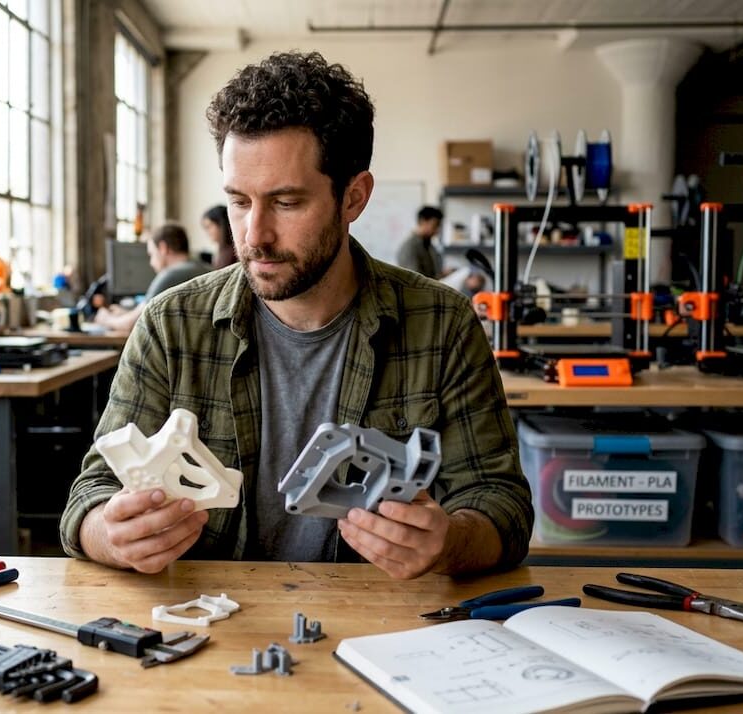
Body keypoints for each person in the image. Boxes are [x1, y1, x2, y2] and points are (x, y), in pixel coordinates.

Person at [61, 51, 531, 580]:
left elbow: (503, 506)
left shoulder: (441, 323)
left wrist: (449, 542)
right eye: (239, 202)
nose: (254, 236)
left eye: (285, 203)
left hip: (375, 632)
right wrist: (113, 533)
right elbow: (91, 495)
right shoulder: (171, 324)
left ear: (353, 198)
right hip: (207, 629)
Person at [92, 223, 210, 332]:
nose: (151, 263)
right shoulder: (205, 268)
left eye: (151, 254)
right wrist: (125, 313)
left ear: (163, 248)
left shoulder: (170, 275)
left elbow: (134, 324)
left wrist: (105, 319)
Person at [396, 205, 450, 279]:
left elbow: (432, 274)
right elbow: (414, 281)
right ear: (423, 221)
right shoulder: (410, 247)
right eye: (434, 226)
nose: (437, 231)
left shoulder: (429, 245)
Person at [202, 204, 237, 269]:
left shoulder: (235, 252)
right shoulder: (220, 252)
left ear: (222, 225)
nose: (207, 232)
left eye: (209, 227)